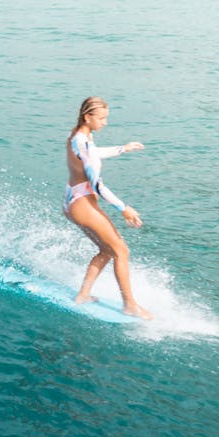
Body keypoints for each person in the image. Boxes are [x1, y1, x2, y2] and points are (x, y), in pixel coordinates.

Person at [63, 96, 153, 319]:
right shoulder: (82, 141)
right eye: (102, 118)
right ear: (87, 116)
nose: (105, 122)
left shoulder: (78, 136)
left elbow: (92, 153)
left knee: (107, 250)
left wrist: (123, 149)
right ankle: (130, 305)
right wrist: (123, 207)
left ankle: (83, 294)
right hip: (82, 203)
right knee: (121, 250)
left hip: (73, 199)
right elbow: (97, 184)